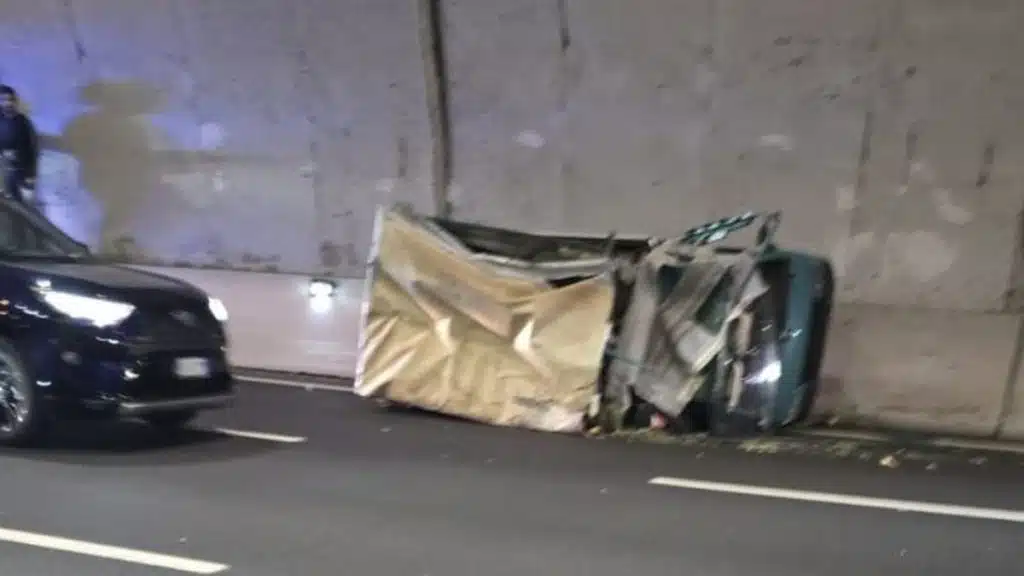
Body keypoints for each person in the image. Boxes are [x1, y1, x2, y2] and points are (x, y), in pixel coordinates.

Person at [0, 85, 40, 205]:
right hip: (5, 174)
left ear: (15, 101)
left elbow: (33, 150)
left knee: (25, 209)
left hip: (23, 175)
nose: (7, 103)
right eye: (3, 100)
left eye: (10, 99)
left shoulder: (23, 122)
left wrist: (31, 177)